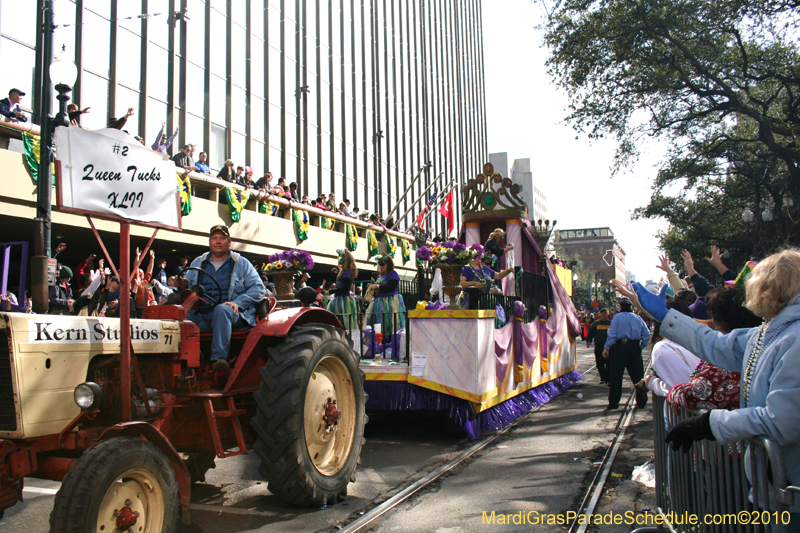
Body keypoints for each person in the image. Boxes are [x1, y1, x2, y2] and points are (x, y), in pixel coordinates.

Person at [634, 250, 800, 529]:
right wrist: (666, 316)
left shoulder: (793, 336)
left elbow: (783, 420)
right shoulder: (773, 331)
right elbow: (716, 345)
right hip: (776, 487)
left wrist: (711, 423)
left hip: (790, 490)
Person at [183, 225, 266, 379]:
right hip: (202, 316)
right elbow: (188, 288)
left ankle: (218, 361)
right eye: (215, 238)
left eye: (222, 238)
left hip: (233, 314)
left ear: (229, 242)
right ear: (210, 242)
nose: (218, 241)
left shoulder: (241, 263)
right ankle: (183, 362)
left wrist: (238, 302)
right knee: (178, 320)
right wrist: (179, 284)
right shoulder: (197, 263)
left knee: (222, 310)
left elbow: (259, 289)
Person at [639, 298, 701, 398]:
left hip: (684, 411)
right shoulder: (701, 341)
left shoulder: (664, 348)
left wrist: (651, 383)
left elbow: (683, 390)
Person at [602, 298, 651, 410]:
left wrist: (606, 348)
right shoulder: (638, 318)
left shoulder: (617, 318)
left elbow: (612, 334)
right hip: (634, 347)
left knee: (616, 377)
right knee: (638, 376)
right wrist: (641, 346)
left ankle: (614, 403)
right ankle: (642, 401)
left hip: (619, 348)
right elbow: (646, 334)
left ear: (620, 307)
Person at [364, 255, 406, 340]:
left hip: (390, 302)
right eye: (379, 264)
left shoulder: (393, 274)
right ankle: (380, 343)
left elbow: (391, 287)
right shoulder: (381, 276)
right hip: (379, 302)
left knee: (390, 323)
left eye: (383, 264)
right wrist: (371, 288)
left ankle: (391, 341)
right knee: (378, 324)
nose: (381, 266)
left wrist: (378, 286)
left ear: (388, 264)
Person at [326, 249, 359, 330]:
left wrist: (330, 291)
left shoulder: (347, 271)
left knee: (343, 322)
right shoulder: (344, 271)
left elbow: (345, 288)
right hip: (339, 299)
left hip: (343, 301)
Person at [586, 308, 612, 385]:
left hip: (609, 348)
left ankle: (608, 379)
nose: (603, 315)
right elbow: (591, 333)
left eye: (605, 313)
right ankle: (602, 377)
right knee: (599, 363)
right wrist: (588, 341)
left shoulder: (611, 323)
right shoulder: (595, 323)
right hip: (599, 347)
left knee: (609, 364)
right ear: (599, 314)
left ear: (608, 314)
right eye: (602, 313)